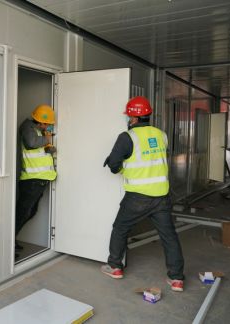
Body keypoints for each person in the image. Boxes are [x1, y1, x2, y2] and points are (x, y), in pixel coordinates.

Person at [101, 96, 185, 292]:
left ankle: (114, 267)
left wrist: (120, 168)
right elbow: (153, 158)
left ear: (133, 118)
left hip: (137, 196)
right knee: (169, 236)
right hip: (161, 196)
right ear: (148, 115)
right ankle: (176, 278)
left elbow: (114, 165)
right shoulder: (161, 135)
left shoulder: (127, 137)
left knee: (120, 228)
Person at [15, 104, 57, 252]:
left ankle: (11, 241)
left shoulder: (37, 131)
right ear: (41, 122)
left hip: (39, 180)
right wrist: (47, 139)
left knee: (30, 212)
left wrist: (49, 148)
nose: (49, 127)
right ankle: (8, 245)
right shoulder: (28, 128)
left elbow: (37, 149)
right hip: (31, 180)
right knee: (22, 213)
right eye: (48, 124)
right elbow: (31, 143)